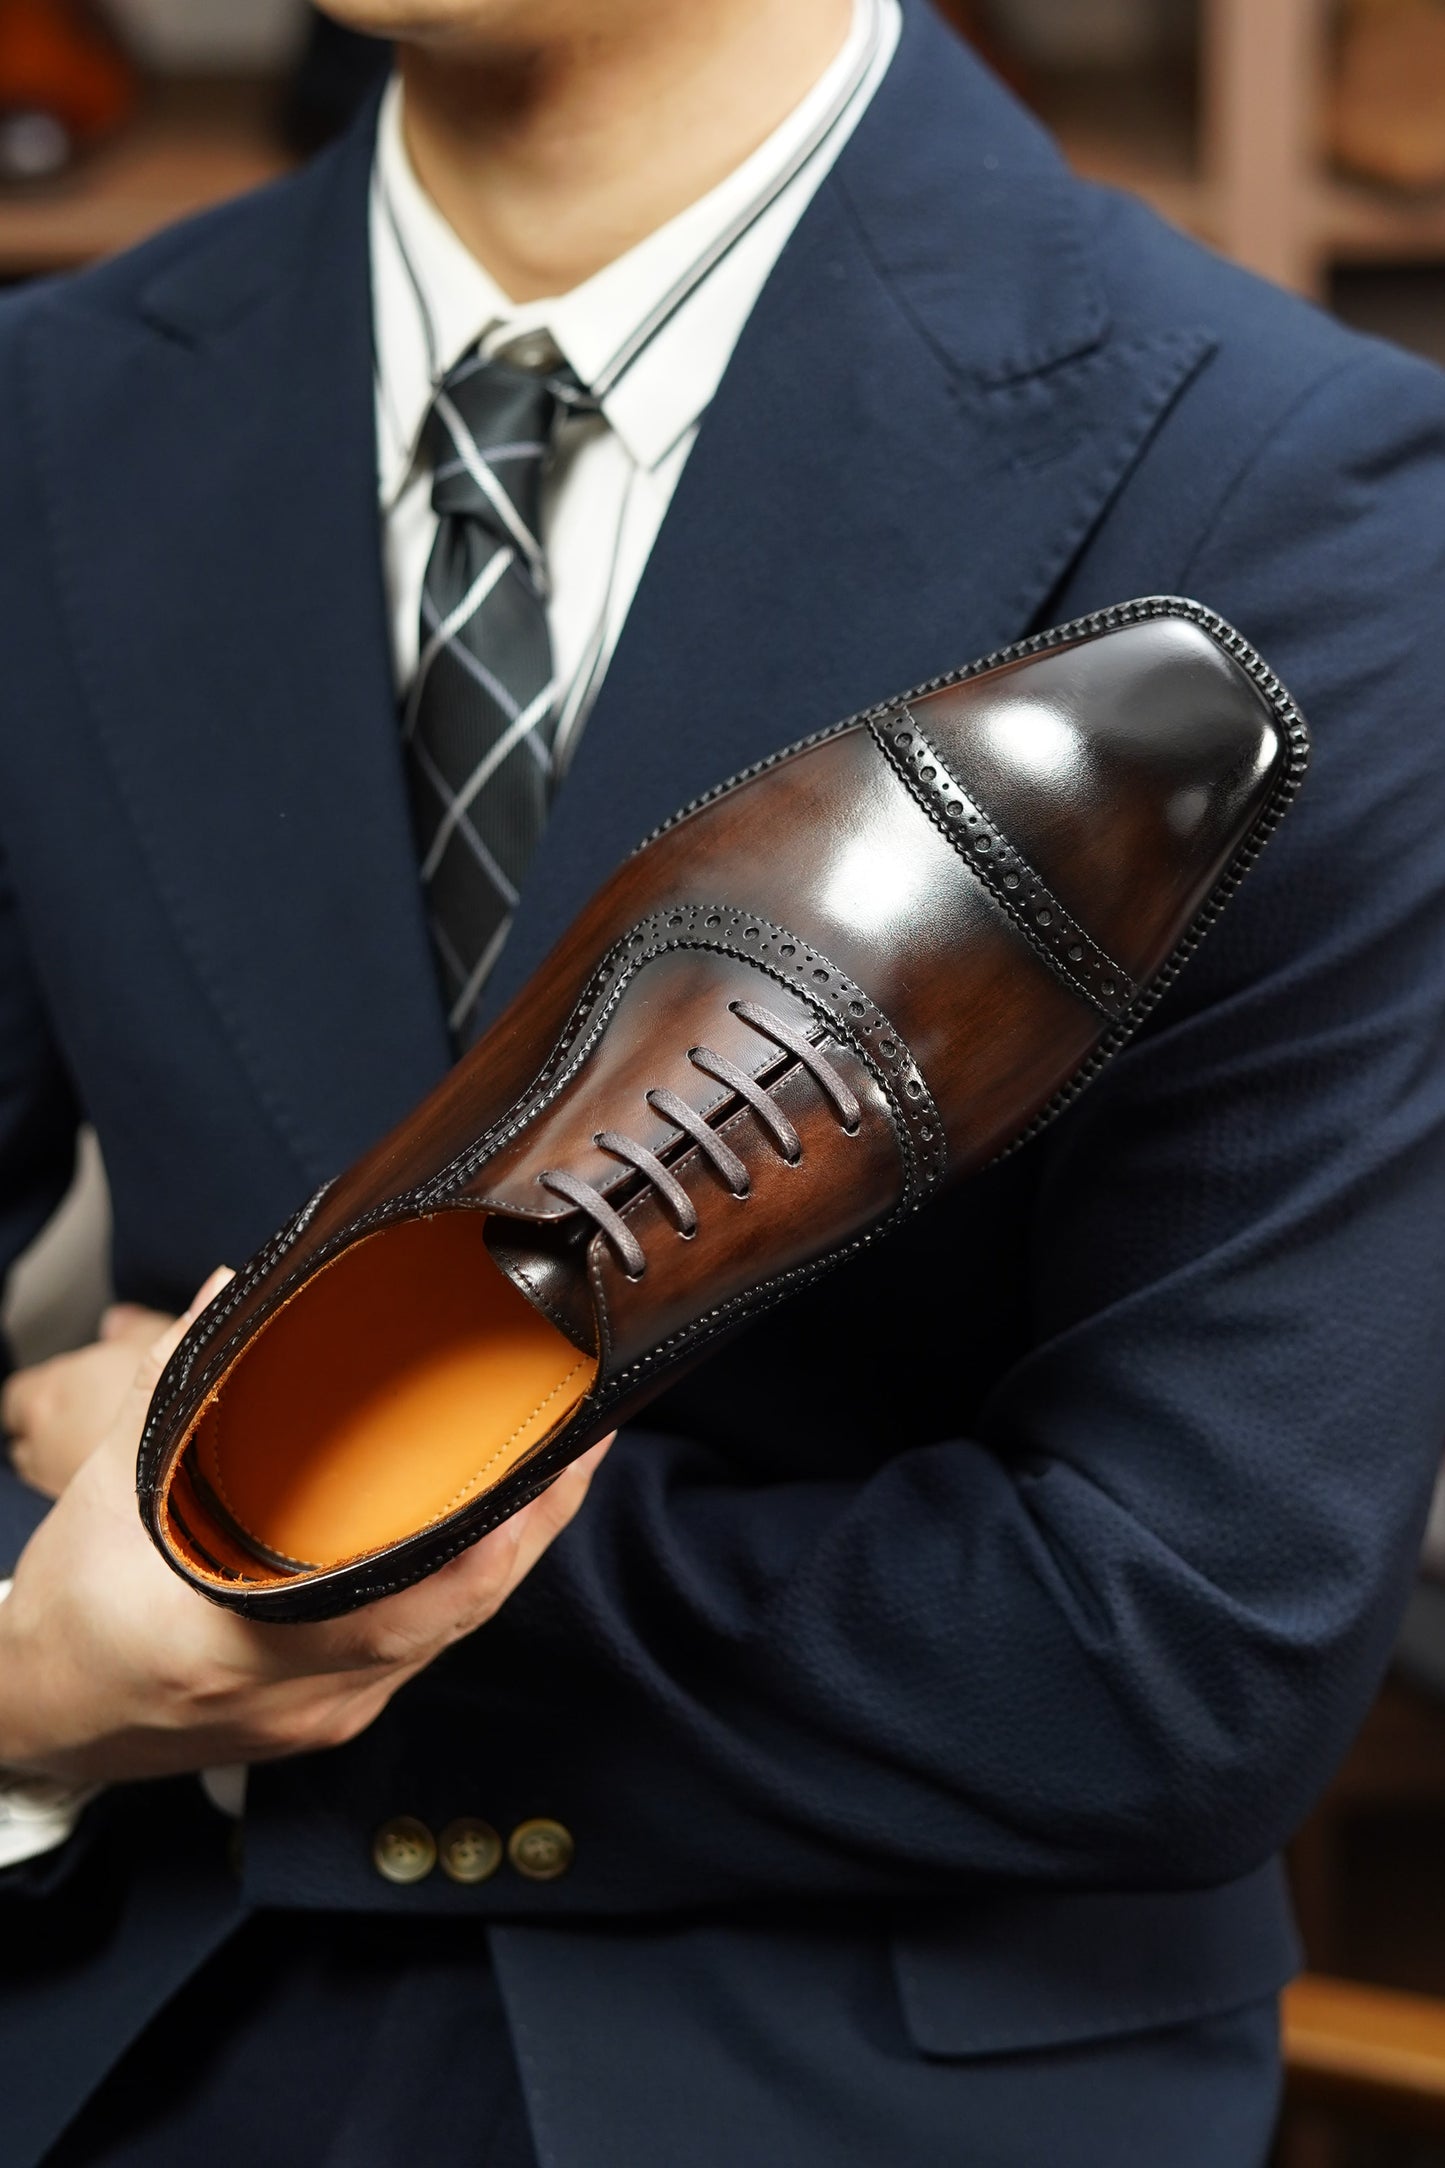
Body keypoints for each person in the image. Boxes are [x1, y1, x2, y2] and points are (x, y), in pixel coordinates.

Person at [3, 1, 1445, 2162]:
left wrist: (241, 1529)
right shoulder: (42, 423)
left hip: (857, 2091)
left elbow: (1178, 1646)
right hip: (117, 2027)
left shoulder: (1305, 488)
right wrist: (33, 1669)